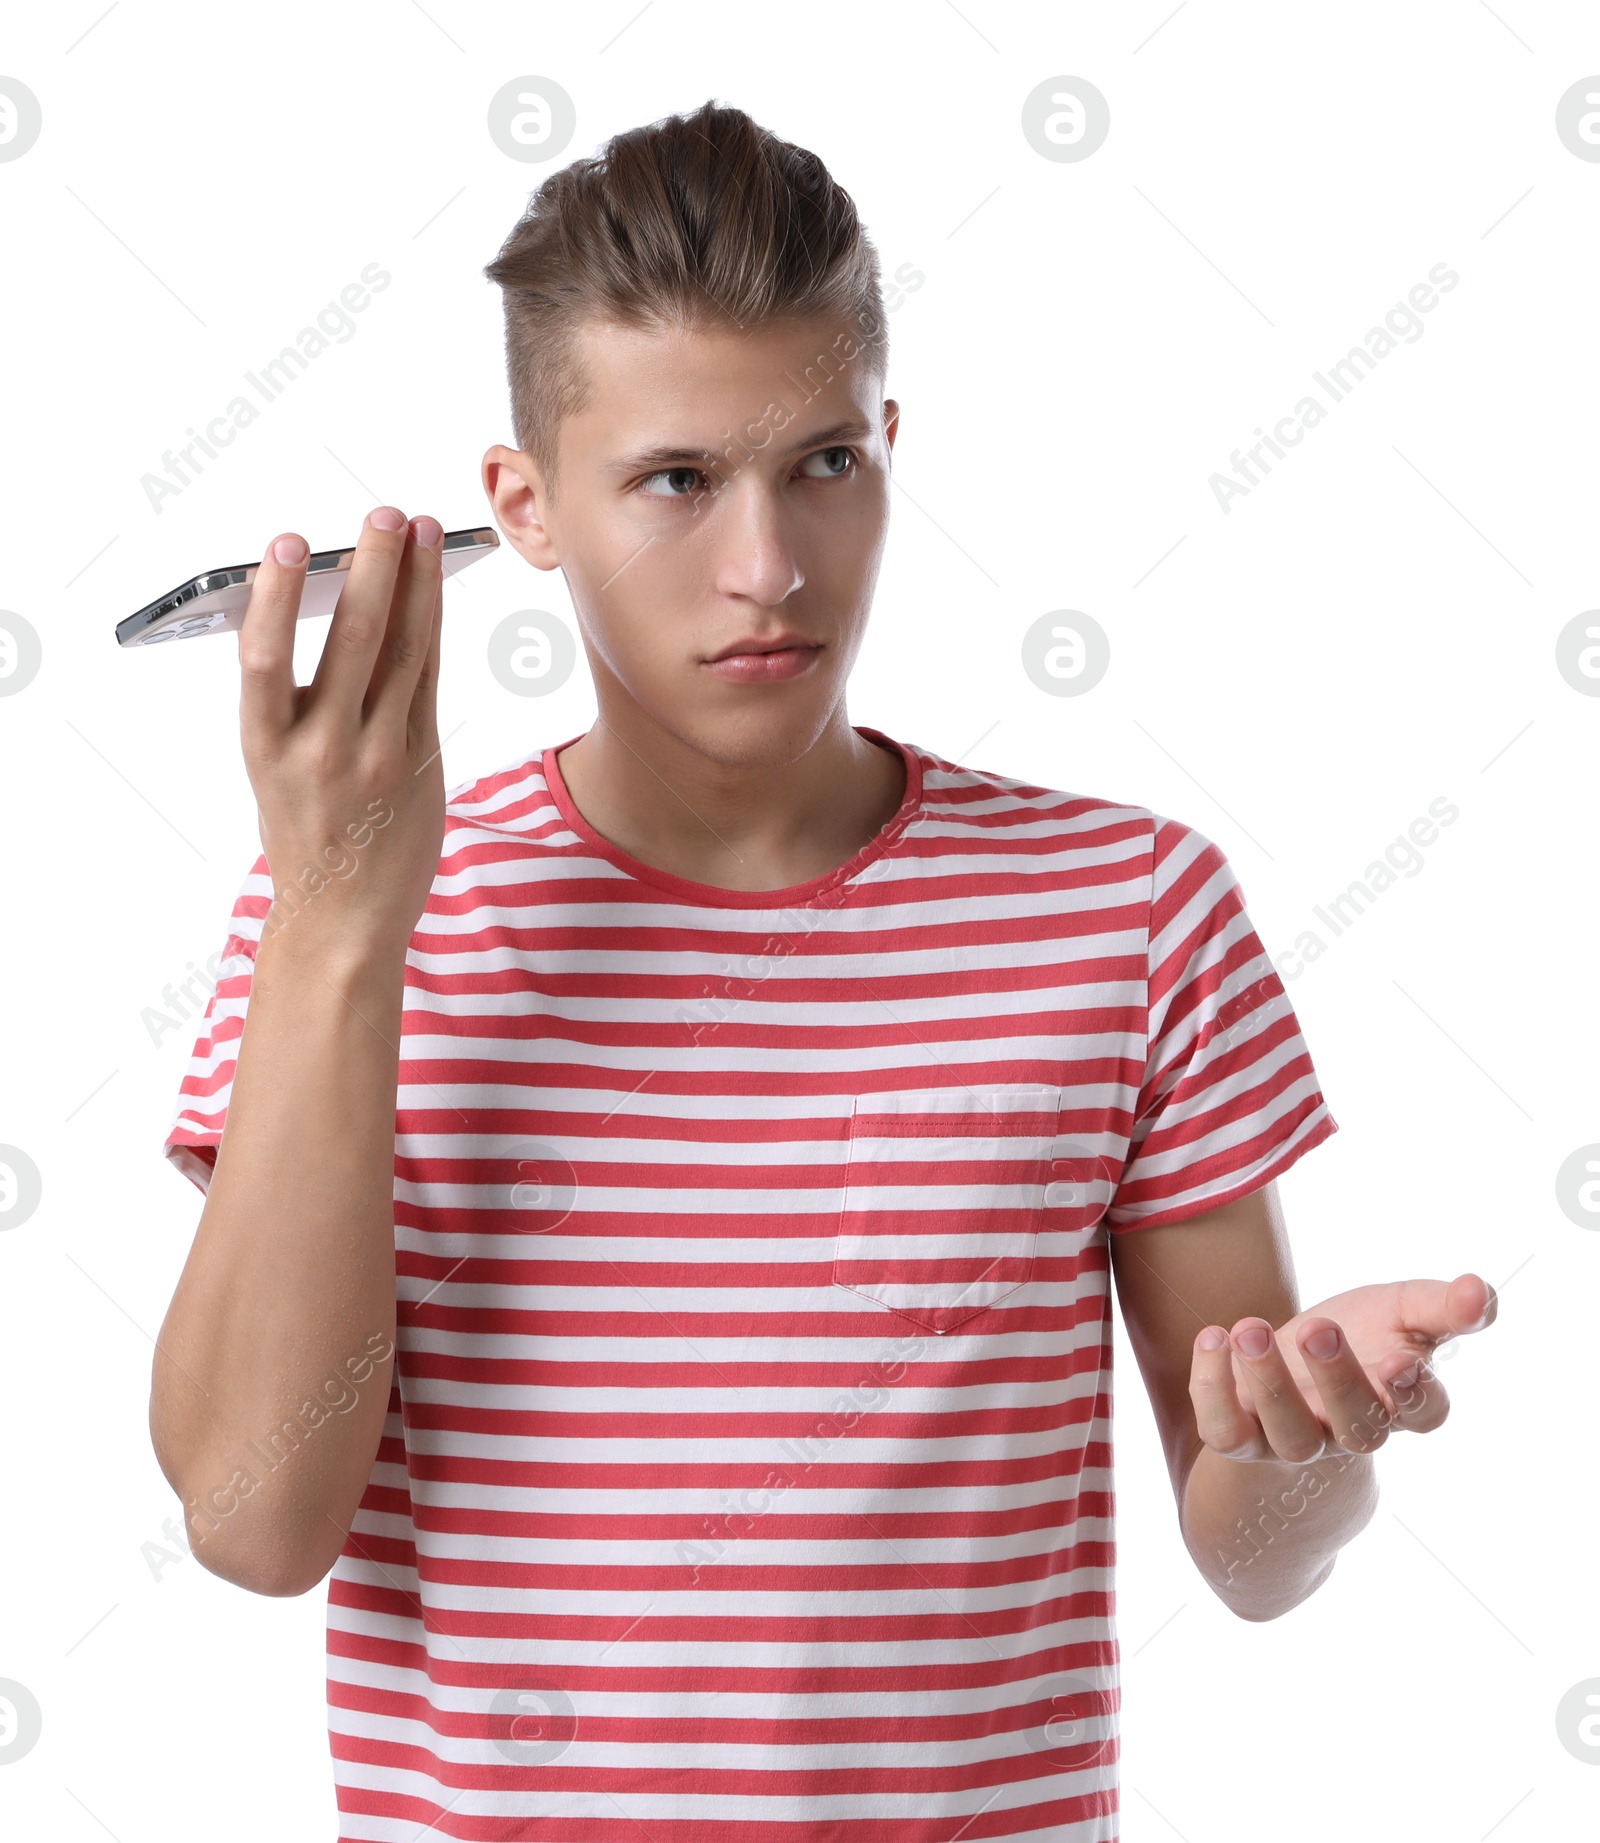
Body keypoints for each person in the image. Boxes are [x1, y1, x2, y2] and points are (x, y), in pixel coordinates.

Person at [149, 98, 1498, 1842]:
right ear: (525, 506)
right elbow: (257, 1527)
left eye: (824, 464)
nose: (767, 568)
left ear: (888, 441)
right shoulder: (338, 908)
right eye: (676, 481)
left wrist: (1304, 1450)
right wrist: (347, 925)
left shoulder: (1130, 907)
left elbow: (1250, 1559)